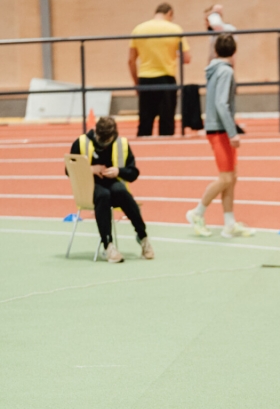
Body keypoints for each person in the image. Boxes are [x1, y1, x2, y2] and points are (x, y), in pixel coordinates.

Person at [186, 34, 254, 239]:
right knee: (225, 178)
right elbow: (221, 104)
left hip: (219, 128)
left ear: (216, 50)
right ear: (234, 52)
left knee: (232, 178)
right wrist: (233, 132)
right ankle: (197, 212)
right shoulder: (225, 72)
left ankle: (229, 224)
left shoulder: (215, 69)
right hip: (220, 130)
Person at [69, 117, 153, 262]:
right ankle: (108, 245)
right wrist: (90, 169)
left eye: (108, 141)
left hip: (114, 185)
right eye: (101, 140)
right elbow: (69, 170)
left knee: (121, 192)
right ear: (96, 133)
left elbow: (133, 173)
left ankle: (142, 236)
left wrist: (118, 171)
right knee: (103, 195)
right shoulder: (81, 143)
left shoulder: (122, 144)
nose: (104, 144)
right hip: (90, 189)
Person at [129, 3, 192, 137]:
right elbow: (187, 58)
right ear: (169, 13)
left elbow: (131, 60)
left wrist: (136, 83)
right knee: (167, 122)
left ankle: (142, 154)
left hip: (145, 79)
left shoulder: (138, 29)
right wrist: (175, 54)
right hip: (166, 79)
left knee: (145, 122)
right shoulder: (175, 29)